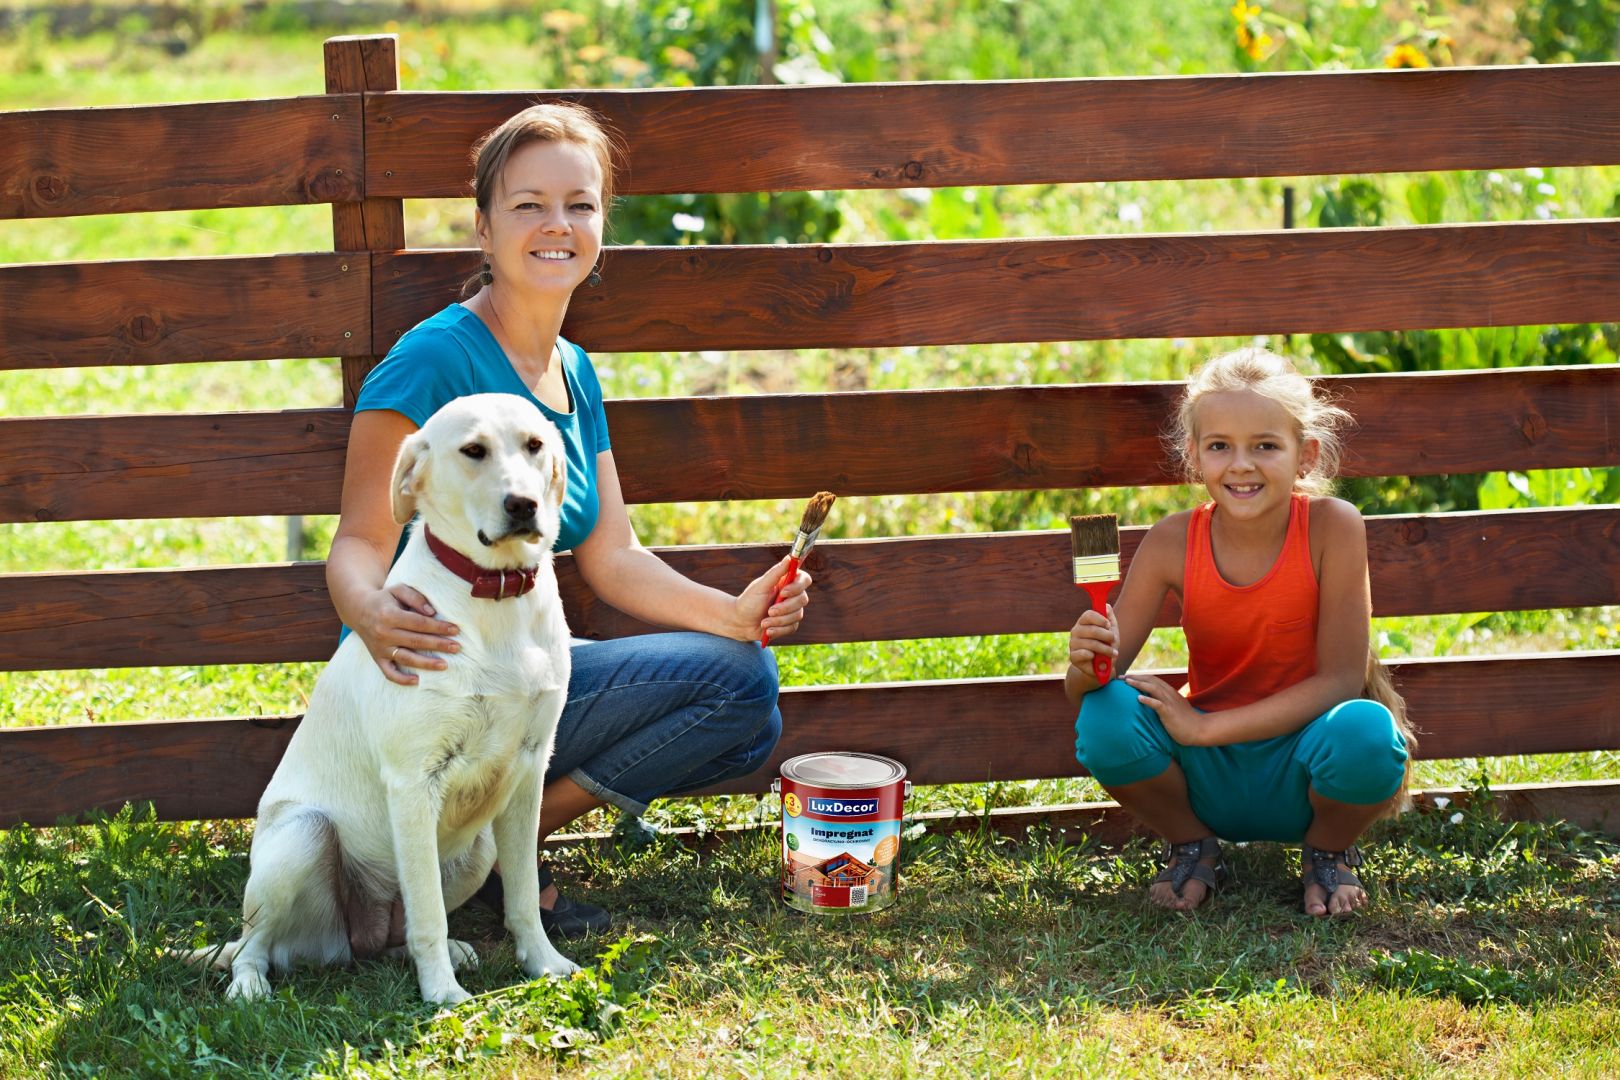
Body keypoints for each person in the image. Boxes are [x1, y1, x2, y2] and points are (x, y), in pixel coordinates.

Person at [327, 103, 810, 938]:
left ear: (601, 227)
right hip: (430, 679)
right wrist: (370, 614)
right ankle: (472, 861)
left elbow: (612, 555)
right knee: (742, 687)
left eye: (579, 205)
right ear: (483, 229)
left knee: (746, 703)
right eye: (528, 206)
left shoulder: (574, 371)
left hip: (520, 659)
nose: (558, 225)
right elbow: (359, 544)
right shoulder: (431, 359)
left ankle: (485, 853)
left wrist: (733, 615)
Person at [1067, 347, 1416, 917]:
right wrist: (1085, 662)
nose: (1242, 465)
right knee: (1104, 714)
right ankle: (1192, 845)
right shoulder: (1171, 540)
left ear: (1306, 456)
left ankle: (1327, 853)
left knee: (1367, 733)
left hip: (1304, 767)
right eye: (1220, 446)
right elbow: (1087, 694)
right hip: (1207, 782)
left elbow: (1340, 681)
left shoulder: (1334, 528)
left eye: (1266, 446)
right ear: (1194, 455)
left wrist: (1204, 728)